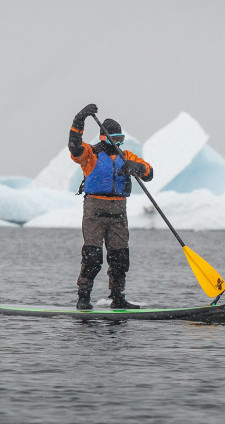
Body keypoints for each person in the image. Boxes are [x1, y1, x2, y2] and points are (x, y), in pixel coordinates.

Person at [69, 103, 153, 310]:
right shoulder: (91, 155)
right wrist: (79, 120)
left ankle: (118, 297)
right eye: (114, 139)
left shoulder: (127, 157)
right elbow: (74, 147)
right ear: (104, 138)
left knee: (119, 258)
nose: (118, 143)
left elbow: (149, 173)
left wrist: (138, 167)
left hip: (118, 212)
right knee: (92, 257)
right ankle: (84, 297)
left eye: (120, 139)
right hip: (94, 211)